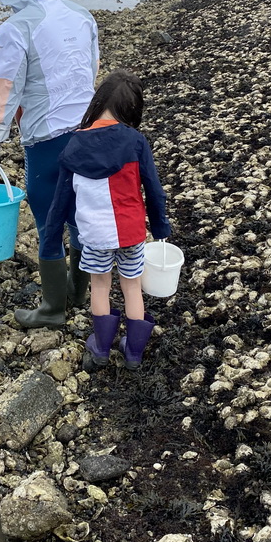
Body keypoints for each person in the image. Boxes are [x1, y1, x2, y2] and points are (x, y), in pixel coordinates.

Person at [0, 0, 100, 327]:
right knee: (81, 214)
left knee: (49, 220)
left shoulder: (16, 28)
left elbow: (5, 86)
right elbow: (90, 69)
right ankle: (78, 292)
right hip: (90, 131)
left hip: (47, 139)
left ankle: (51, 310)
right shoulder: (82, 15)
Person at [41, 69, 171, 369]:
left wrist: (50, 235)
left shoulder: (74, 144)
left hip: (95, 234)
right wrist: (161, 226)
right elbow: (153, 189)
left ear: (98, 103)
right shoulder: (136, 141)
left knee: (99, 286)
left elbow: (61, 199)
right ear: (131, 109)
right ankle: (134, 353)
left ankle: (100, 348)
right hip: (131, 232)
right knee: (132, 286)